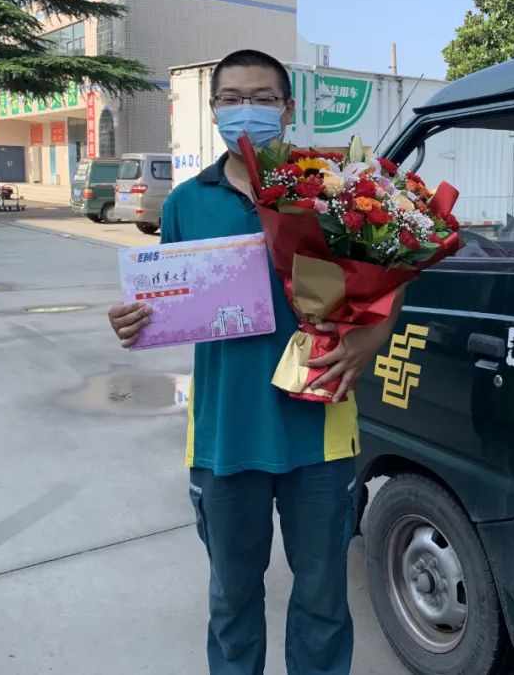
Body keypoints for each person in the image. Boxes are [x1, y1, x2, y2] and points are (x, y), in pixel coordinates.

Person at [108, 49, 402, 675]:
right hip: (224, 436)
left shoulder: (333, 192)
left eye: (263, 99)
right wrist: (134, 322)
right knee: (231, 598)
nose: (247, 110)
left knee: (324, 601)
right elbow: (168, 302)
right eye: (232, 98)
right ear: (213, 109)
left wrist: (369, 340)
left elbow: (391, 277)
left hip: (320, 430)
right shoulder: (187, 202)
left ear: (287, 109)